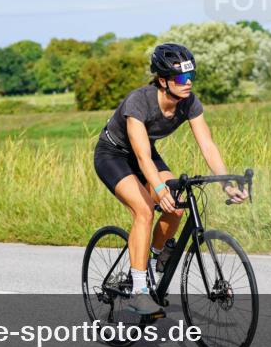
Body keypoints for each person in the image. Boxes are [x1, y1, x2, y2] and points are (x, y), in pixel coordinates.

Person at [93, 43, 247, 316]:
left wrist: (226, 182)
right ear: (162, 81)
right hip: (113, 156)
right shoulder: (139, 101)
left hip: (146, 155)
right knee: (144, 211)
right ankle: (139, 291)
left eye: (191, 77)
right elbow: (141, 157)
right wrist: (159, 187)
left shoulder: (188, 102)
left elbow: (207, 145)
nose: (187, 84)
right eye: (180, 79)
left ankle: (150, 263)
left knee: (175, 205)